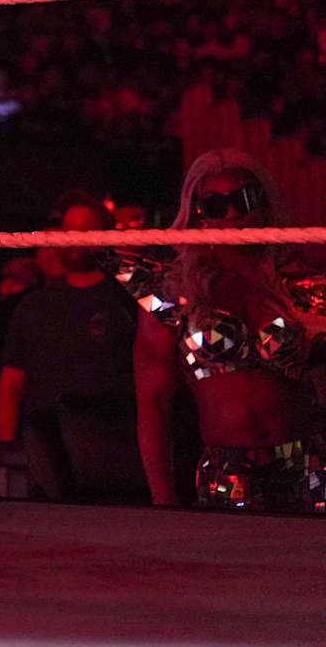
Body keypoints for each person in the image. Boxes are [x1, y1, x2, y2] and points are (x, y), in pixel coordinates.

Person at [118, 150, 326, 512]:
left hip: (306, 463)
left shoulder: (298, 282)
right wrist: (162, 499)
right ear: (198, 215)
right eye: (215, 205)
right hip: (227, 472)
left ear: (264, 204)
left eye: (243, 199)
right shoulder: (172, 293)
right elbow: (153, 404)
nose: (233, 214)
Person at [0, 191, 140, 498]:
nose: (76, 238)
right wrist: (7, 451)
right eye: (69, 229)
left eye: (86, 228)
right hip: (47, 449)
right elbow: (10, 384)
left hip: (115, 448)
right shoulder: (34, 305)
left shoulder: (131, 300)